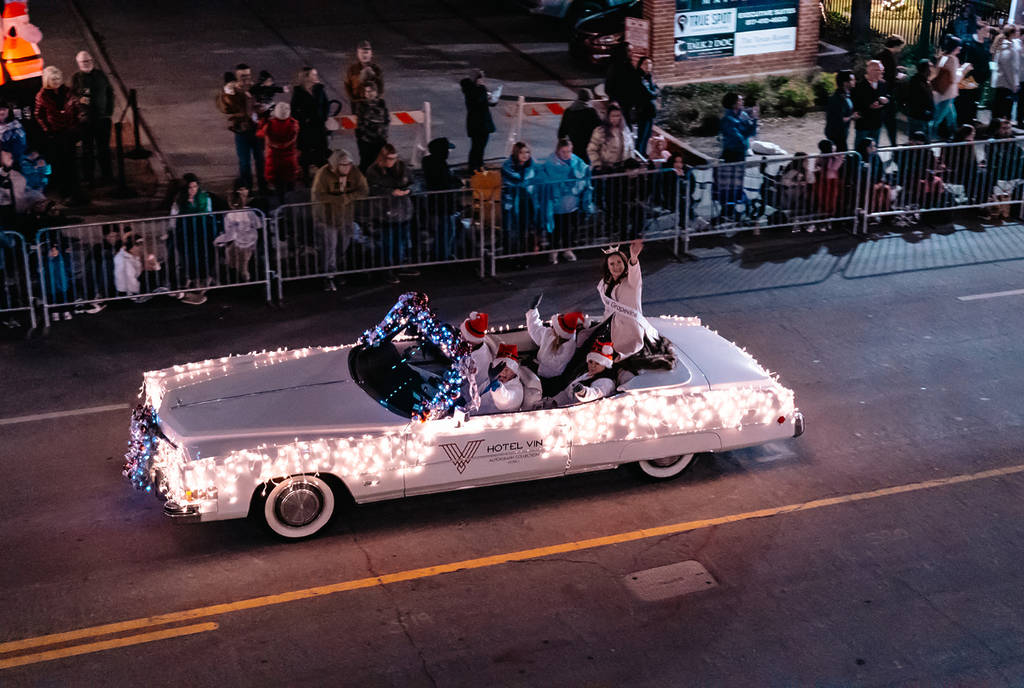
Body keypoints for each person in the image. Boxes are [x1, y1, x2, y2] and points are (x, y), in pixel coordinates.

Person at [311, 149, 368, 291]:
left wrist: (348, 197)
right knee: (330, 246)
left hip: (346, 217)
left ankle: (337, 270)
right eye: (343, 165)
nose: (347, 168)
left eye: (349, 164)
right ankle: (328, 276)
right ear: (336, 165)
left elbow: (363, 190)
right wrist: (337, 199)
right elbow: (318, 195)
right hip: (326, 217)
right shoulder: (323, 174)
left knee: (343, 245)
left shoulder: (354, 172)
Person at [366, 143, 417, 283]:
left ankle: (399, 266)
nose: (392, 161)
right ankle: (387, 270)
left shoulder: (402, 167)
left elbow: (414, 182)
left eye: (394, 158)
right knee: (387, 243)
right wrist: (390, 192)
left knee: (400, 241)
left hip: (403, 210)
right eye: (389, 158)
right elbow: (371, 189)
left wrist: (409, 190)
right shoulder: (373, 171)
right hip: (384, 213)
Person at [598, 238, 655, 359]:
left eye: (619, 262)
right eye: (612, 264)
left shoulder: (632, 281)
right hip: (613, 329)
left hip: (631, 332)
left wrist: (633, 257)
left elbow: (634, 269)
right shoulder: (605, 285)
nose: (616, 266)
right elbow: (608, 309)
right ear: (607, 267)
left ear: (625, 263)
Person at [540, 137, 593, 265]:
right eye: (563, 152)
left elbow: (584, 173)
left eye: (569, 151)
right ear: (558, 151)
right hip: (556, 205)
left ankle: (567, 250)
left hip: (572, 203)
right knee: (556, 229)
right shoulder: (550, 163)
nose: (566, 154)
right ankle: (553, 251)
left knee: (570, 228)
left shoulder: (576, 161)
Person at [216, 63, 267, 194]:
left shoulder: (255, 88)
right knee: (245, 162)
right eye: (243, 76)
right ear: (237, 76)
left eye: (248, 75)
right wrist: (229, 92)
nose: (246, 79)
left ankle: (263, 187)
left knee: (261, 159)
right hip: (242, 131)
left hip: (257, 129)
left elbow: (263, 101)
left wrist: (262, 108)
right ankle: (247, 190)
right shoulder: (232, 91)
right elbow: (225, 108)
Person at [34, 66, 80, 201]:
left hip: (69, 131)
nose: (57, 81)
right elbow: (39, 115)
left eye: (59, 78)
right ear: (47, 80)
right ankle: (63, 191)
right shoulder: (42, 96)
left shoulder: (67, 92)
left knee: (71, 162)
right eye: (53, 79)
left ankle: (75, 190)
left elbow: (76, 108)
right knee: (60, 163)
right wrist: (48, 129)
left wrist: (75, 125)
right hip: (55, 133)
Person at [169, 172, 214, 304]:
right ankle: (190, 280)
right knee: (188, 256)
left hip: (202, 230)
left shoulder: (205, 197)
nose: (193, 190)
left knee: (203, 254)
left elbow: (210, 213)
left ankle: (203, 280)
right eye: (190, 187)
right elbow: (173, 218)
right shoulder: (179, 201)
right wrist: (172, 231)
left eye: (195, 186)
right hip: (186, 231)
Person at [71, 50, 114, 185]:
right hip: (86, 121)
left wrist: (108, 111)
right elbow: (73, 97)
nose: (86, 63)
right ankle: (89, 178)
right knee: (87, 150)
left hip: (102, 118)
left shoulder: (100, 75)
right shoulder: (76, 78)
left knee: (104, 149)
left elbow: (109, 92)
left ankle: (107, 176)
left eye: (88, 61)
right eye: (83, 61)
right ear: (78, 63)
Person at [525, 292, 585, 380]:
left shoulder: (567, 349)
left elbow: (553, 369)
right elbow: (536, 330)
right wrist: (533, 310)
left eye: (554, 327)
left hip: (550, 377)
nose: (551, 327)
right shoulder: (551, 334)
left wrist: (535, 366)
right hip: (538, 367)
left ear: (559, 333)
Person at [421, 137, 463, 261]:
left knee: (444, 231)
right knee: (446, 232)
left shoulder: (430, 162)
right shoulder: (438, 165)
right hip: (443, 205)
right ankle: (443, 256)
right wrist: (456, 184)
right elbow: (444, 183)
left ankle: (442, 254)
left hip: (439, 204)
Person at [501, 141, 539, 265]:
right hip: (512, 204)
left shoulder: (532, 166)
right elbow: (516, 181)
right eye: (521, 152)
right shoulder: (507, 167)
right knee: (512, 231)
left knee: (525, 229)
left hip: (528, 203)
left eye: (527, 152)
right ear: (516, 153)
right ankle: (511, 257)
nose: (525, 155)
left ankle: (524, 256)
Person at [475, 343, 542, 414]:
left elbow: (504, 401)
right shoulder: (490, 381)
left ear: (514, 371)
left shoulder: (516, 390)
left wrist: (495, 384)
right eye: (500, 368)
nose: (502, 372)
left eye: (506, 369)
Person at [550, 340, 617, 407]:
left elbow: (596, 393)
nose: (592, 366)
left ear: (605, 365)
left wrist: (583, 392)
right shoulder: (586, 374)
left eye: (597, 363)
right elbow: (567, 393)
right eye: (590, 362)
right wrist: (554, 402)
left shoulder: (606, 381)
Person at [290, 66, 328, 181]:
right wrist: (303, 120)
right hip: (305, 128)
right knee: (305, 153)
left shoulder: (319, 89)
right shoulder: (298, 92)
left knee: (322, 152)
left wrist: (324, 118)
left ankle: (323, 176)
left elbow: (326, 104)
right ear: (306, 77)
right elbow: (294, 110)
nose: (316, 76)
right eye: (313, 74)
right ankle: (306, 177)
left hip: (319, 126)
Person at [214, 189, 261, 282]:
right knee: (242, 264)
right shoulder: (250, 211)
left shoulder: (230, 215)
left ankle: (245, 282)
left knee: (241, 266)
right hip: (250, 241)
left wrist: (218, 240)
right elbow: (258, 224)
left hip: (242, 243)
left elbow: (230, 234)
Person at [257, 102, 300, 200]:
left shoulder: (269, 125)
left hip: (274, 161)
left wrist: (262, 120)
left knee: (278, 187)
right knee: (290, 187)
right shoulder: (293, 124)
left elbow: (259, 133)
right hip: (289, 160)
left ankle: (281, 203)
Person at [460, 69, 499, 172]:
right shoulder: (477, 90)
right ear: (477, 79)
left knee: (478, 145)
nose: (483, 81)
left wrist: (492, 98)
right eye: (481, 78)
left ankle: (477, 165)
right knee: (479, 145)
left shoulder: (471, 89)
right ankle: (476, 166)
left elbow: (487, 102)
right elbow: (480, 101)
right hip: (480, 122)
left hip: (475, 122)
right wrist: (485, 91)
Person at [932, 36, 970, 141]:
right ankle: (929, 138)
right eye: (959, 46)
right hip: (948, 93)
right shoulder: (953, 59)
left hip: (940, 91)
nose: (960, 49)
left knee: (951, 117)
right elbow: (954, 78)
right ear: (955, 47)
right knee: (938, 118)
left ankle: (955, 136)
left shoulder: (942, 57)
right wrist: (964, 70)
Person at [873, 35, 906, 147]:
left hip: (879, 91)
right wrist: (899, 77)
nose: (900, 50)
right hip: (888, 93)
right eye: (900, 47)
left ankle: (875, 145)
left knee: (879, 121)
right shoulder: (890, 57)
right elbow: (890, 77)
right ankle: (893, 144)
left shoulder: (879, 55)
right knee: (891, 121)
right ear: (896, 46)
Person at [957, 24, 991, 128]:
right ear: (979, 30)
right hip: (969, 77)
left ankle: (970, 120)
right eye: (986, 30)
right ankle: (963, 122)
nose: (988, 33)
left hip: (980, 78)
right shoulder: (969, 42)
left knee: (974, 100)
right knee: (966, 99)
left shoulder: (986, 43)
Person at [587, 102, 636, 173]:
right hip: (606, 169)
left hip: (623, 168)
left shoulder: (625, 130)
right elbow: (591, 149)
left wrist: (631, 164)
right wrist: (597, 164)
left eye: (618, 115)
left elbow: (631, 148)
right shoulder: (600, 131)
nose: (615, 118)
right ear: (608, 117)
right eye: (613, 116)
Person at [853, 60, 890, 149]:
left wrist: (885, 101)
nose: (881, 73)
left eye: (882, 70)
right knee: (860, 149)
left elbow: (887, 96)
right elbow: (855, 103)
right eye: (878, 70)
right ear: (870, 71)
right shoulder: (859, 85)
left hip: (877, 123)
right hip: (863, 124)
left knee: (874, 150)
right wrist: (869, 105)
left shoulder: (883, 83)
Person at [354, 80, 389, 172]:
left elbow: (386, 120)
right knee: (366, 164)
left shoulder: (381, 103)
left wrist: (383, 133)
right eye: (366, 91)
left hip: (380, 139)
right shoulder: (361, 105)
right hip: (366, 140)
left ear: (376, 92)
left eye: (371, 91)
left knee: (381, 163)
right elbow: (361, 124)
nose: (369, 94)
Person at [557, 88, 601, 161]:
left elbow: (563, 129)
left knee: (576, 162)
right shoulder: (591, 111)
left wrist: (561, 140)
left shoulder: (568, 111)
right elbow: (599, 126)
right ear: (589, 99)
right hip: (587, 144)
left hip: (573, 144)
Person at [604, 44, 640, 125]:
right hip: (621, 104)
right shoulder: (615, 67)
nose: (632, 53)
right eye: (629, 51)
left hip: (628, 104)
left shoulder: (629, 66)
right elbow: (608, 87)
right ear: (623, 52)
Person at [343, 40, 384, 111]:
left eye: (366, 52)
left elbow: (381, 86)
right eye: (361, 52)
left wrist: (377, 98)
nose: (364, 55)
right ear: (358, 54)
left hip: (373, 103)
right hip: (357, 102)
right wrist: (353, 99)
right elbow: (347, 85)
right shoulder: (352, 69)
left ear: (371, 54)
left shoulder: (376, 69)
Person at [855, 137, 891, 218]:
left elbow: (882, 172)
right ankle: (870, 214)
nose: (874, 148)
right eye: (872, 147)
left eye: (875, 146)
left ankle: (886, 214)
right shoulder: (858, 157)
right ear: (865, 147)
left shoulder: (876, 157)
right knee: (872, 189)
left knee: (886, 188)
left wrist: (881, 182)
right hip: (862, 184)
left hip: (876, 182)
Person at [899, 59, 935, 139]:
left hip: (923, 118)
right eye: (931, 67)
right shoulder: (917, 82)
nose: (933, 70)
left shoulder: (923, 81)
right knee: (917, 141)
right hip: (918, 118)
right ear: (926, 69)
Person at [991, 25, 1020, 124]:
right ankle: (998, 129)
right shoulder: (1006, 46)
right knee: (1002, 111)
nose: (1018, 33)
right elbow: (1008, 68)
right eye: (1016, 31)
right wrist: (1014, 84)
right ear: (1011, 33)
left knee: (1002, 109)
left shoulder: (1010, 44)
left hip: (1005, 83)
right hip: (1005, 83)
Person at [460, 310, 494, 392]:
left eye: (462, 334)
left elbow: (462, 380)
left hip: (470, 392)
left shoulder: (474, 359)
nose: (460, 337)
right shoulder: (481, 346)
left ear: (468, 340)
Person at [719, 93, 757, 162]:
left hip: (741, 152)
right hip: (731, 152)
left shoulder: (743, 115)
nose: (742, 102)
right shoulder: (727, 119)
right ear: (733, 104)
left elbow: (752, 133)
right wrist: (746, 135)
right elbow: (737, 138)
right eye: (739, 100)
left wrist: (754, 119)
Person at [814, 140, 844, 229]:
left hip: (830, 182)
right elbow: (833, 168)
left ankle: (827, 221)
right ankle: (825, 221)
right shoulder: (825, 158)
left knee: (830, 202)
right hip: (828, 182)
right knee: (827, 202)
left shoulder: (827, 157)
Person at [825, 71, 857, 152]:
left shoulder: (847, 95)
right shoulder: (837, 99)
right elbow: (839, 119)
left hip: (843, 133)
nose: (855, 81)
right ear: (845, 83)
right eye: (852, 80)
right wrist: (852, 116)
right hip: (836, 134)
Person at [635, 56, 660, 156]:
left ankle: (643, 153)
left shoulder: (649, 77)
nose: (648, 66)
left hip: (650, 111)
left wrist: (655, 92)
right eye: (645, 63)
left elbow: (656, 89)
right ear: (640, 65)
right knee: (642, 135)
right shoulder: (639, 78)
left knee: (647, 135)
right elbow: (649, 93)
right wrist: (655, 93)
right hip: (643, 111)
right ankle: (639, 155)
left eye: (650, 63)